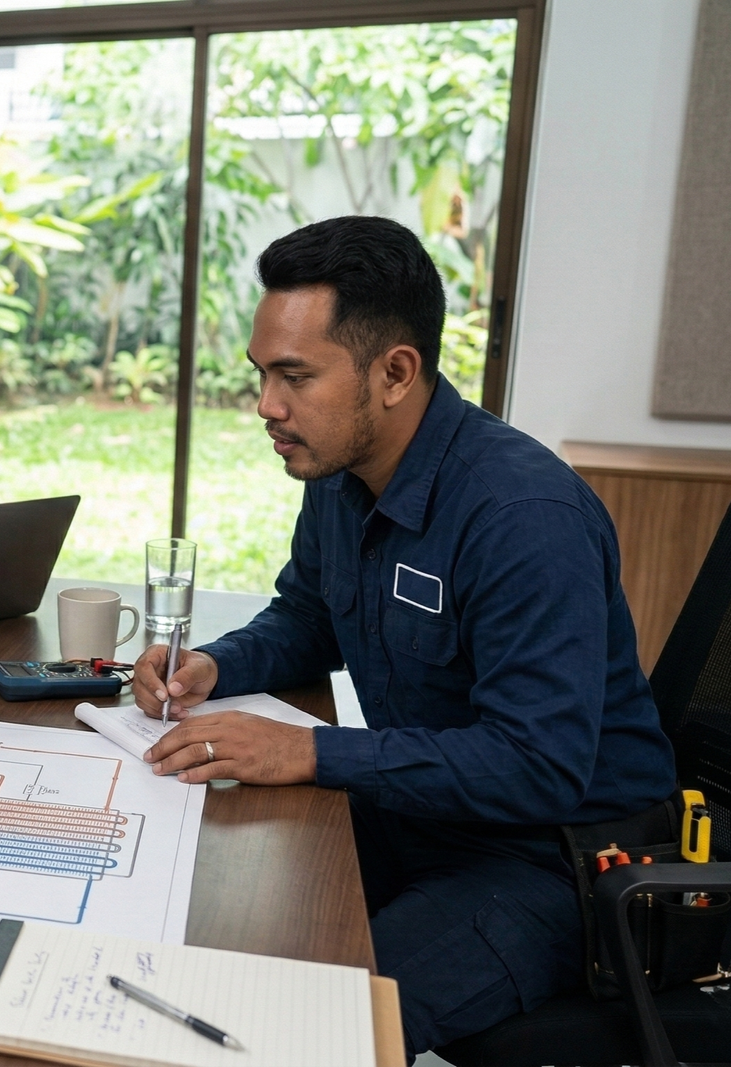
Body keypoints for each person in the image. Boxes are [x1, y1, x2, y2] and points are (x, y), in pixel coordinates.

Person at [130, 216, 676, 1056]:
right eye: (262, 374)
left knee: (298, 1029)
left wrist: (310, 753)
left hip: (552, 864)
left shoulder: (524, 517)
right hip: (420, 813)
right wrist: (215, 662)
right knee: (212, 908)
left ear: (394, 372)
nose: (268, 407)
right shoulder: (340, 470)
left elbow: (538, 764)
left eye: (295, 376)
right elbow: (310, 615)